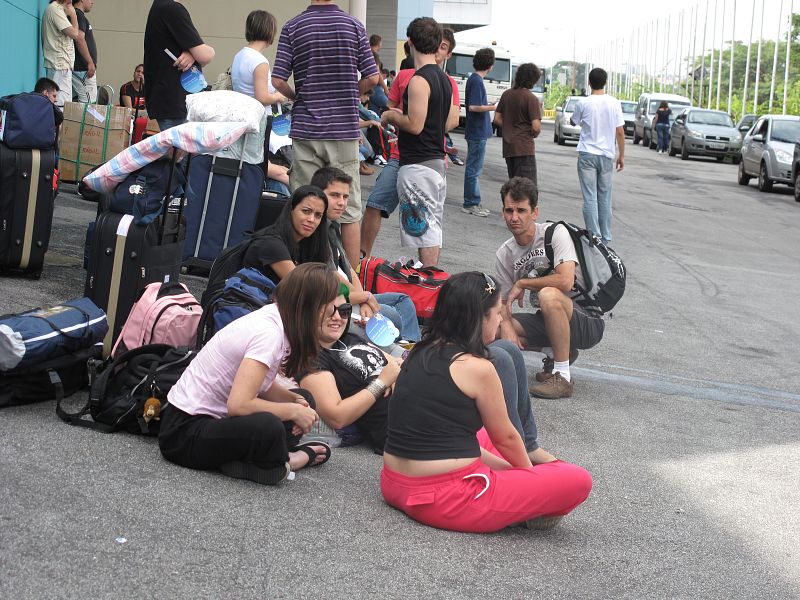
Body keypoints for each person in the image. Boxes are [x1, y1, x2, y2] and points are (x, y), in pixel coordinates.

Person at [380, 271, 593, 533]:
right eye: (496, 313)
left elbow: (444, 431)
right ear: (478, 319)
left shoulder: (419, 351)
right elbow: (506, 438)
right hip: (447, 498)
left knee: (481, 433)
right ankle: (526, 501)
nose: (501, 318)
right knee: (578, 480)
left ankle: (521, 478)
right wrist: (528, 480)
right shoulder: (478, 368)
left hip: (394, 483)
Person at [159, 263, 336, 485]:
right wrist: (290, 410)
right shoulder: (269, 335)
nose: (333, 313)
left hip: (212, 421)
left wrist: (295, 402)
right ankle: (290, 458)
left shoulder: (277, 317)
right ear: (311, 307)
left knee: (304, 400)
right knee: (269, 426)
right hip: (184, 434)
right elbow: (239, 405)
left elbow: (259, 384)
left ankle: (253, 457)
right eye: (329, 307)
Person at [271, 0, 379, 269]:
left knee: (304, 206)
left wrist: (299, 96)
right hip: (342, 130)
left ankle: (304, 275)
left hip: (306, 129)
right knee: (349, 210)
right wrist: (352, 91)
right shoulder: (354, 26)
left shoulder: (293, 26)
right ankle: (352, 288)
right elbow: (373, 77)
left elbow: (277, 80)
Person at [495, 177, 605, 399]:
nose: (514, 217)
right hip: (548, 319)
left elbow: (565, 281)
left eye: (521, 210)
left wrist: (523, 282)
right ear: (503, 212)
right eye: (509, 210)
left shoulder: (555, 233)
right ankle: (555, 353)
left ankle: (562, 377)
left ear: (534, 212)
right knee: (490, 327)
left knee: (549, 295)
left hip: (587, 320)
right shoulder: (504, 254)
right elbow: (503, 303)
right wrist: (506, 325)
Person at [361, 27, 459, 259]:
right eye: (440, 46)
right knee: (424, 224)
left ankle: (427, 281)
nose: (440, 51)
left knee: (423, 227)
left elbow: (411, 122)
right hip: (415, 157)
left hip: (417, 160)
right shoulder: (431, 79)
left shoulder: (423, 79)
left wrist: (397, 117)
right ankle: (362, 263)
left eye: (445, 47)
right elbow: (445, 121)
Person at [309, 167, 420, 344]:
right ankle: (404, 350)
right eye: (335, 195)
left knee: (403, 301)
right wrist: (364, 298)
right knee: (391, 316)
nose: (341, 203)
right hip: (335, 303)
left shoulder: (332, 226)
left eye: (345, 197)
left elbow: (349, 270)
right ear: (317, 195)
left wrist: (364, 299)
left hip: (352, 298)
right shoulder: (314, 231)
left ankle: (410, 349)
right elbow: (334, 281)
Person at [298, 285, 399, 453]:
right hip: (405, 430)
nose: (338, 317)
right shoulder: (312, 359)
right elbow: (337, 417)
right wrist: (382, 382)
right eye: (329, 311)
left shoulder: (351, 338)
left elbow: (396, 365)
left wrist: (397, 376)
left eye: (344, 310)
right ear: (307, 313)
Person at [568, 67, 624, 245]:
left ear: (589, 83)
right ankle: (606, 237)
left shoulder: (583, 103)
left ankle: (595, 235)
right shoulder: (614, 103)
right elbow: (620, 132)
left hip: (587, 154)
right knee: (605, 197)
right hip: (606, 156)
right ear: (606, 82)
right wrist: (621, 156)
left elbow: (573, 121)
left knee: (590, 196)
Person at [143, 0, 215, 131]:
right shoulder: (172, 9)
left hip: (168, 100)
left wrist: (191, 53)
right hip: (176, 102)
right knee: (180, 148)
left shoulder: (159, 7)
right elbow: (205, 55)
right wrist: (196, 53)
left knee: (174, 148)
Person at [243, 185, 330, 284]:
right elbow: (304, 288)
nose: (311, 219)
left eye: (318, 215)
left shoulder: (308, 246)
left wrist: (342, 293)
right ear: (291, 210)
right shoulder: (270, 243)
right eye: (306, 211)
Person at [494, 62, 543, 186]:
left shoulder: (507, 94)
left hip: (509, 148)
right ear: (533, 79)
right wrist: (532, 133)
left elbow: (497, 119)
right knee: (527, 188)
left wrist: (510, 126)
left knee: (514, 185)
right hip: (524, 148)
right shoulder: (531, 98)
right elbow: (536, 126)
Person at [462, 47, 496, 218]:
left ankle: (473, 201)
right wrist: (494, 107)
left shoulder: (474, 79)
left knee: (474, 168)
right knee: (474, 169)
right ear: (489, 65)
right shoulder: (476, 81)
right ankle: (470, 203)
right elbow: (473, 107)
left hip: (477, 131)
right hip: (477, 131)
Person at [231, 10, 286, 108]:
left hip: (241, 112)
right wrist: (278, 96)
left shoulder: (239, 55)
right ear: (269, 31)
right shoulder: (259, 62)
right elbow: (262, 98)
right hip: (259, 117)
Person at [41, 0, 83, 108]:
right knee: (60, 104)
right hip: (59, 65)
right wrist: (73, 14)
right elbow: (75, 34)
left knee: (61, 103)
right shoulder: (55, 9)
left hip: (60, 65)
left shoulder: (56, 9)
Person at [71, 0, 97, 103]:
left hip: (83, 69)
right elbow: (79, 39)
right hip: (82, 69)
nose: (92, 2)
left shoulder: (79, 15)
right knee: (89, 106)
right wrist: (90, 62)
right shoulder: (77, 14)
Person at [368, 34, 389, 114]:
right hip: (375, 87)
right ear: (378, 43)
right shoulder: (374, 54)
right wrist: (385, 88)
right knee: (390, 106)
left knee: (374, 113)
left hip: (368, 88)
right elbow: (377, 73)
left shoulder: (367, 53)